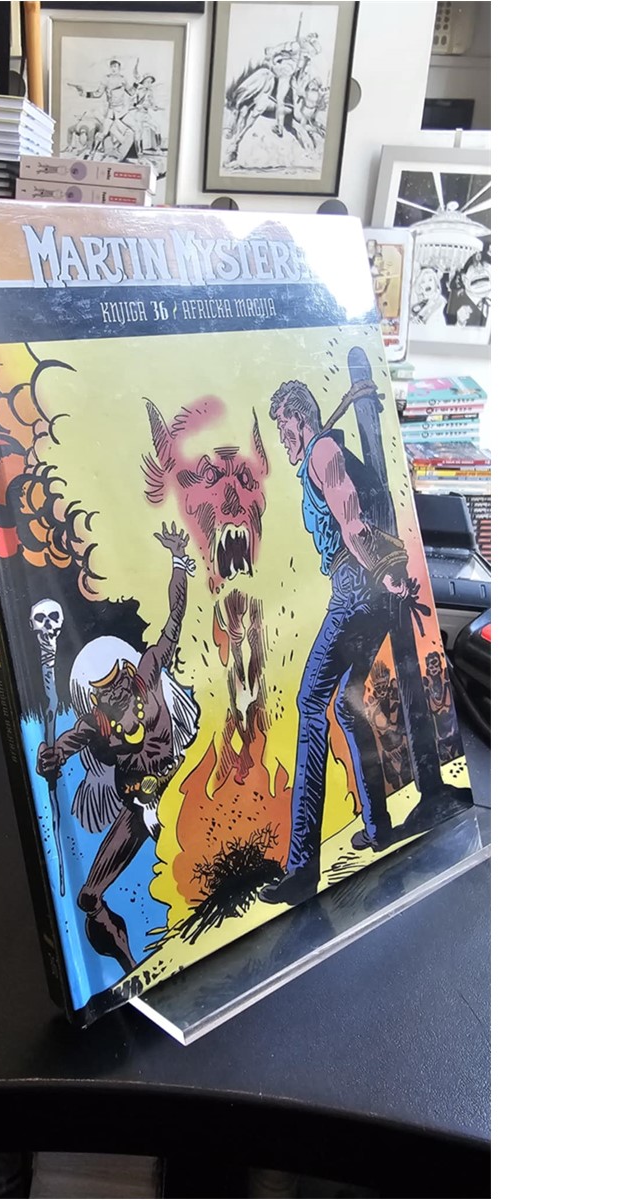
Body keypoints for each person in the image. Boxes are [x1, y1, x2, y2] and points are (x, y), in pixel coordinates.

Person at [259, 380, 409, 906]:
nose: (282, 439)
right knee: (346, 706)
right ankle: (380, 827)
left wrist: (381, 569)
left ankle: (302, 870)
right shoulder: (321, 450)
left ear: (300, 420)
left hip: (356, 586)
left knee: (310, 704)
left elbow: (351, 520)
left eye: (284, 428)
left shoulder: (323, 451)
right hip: (368, 591)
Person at [37, 523, 200, 971]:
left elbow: (174, 619)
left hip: (178, 784)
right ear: (93, 695)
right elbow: (62, 748)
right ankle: (129, 965)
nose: (117, 690)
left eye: (118, 679)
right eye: (105, 689)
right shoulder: (95, 722)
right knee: (89, 897)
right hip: (139, 806)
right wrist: (48, 758)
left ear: (128, 669)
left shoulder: (147, 673)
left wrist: (177, 562)